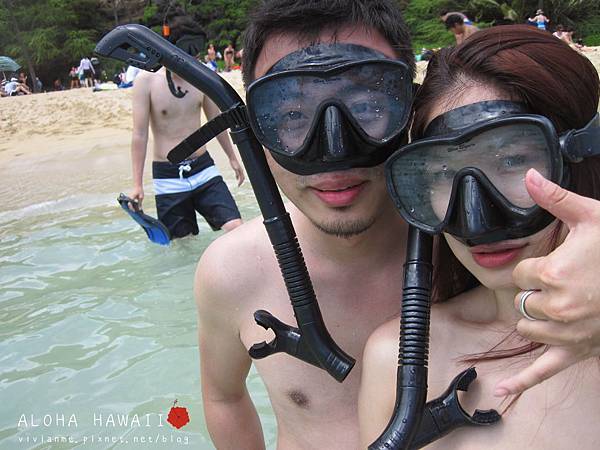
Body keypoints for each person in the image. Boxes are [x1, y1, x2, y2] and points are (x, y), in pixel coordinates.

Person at [196, 1, 600, 448]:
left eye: (366, 105)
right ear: (255, 126)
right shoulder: (232, 272)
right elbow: (223, 398)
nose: (332, 149)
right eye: (292, 115)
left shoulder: (472, 244)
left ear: (409, 111)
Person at [359, 25, 600, 449]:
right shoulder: (397, 358)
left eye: (511, 159)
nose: (477, 217)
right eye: (443, 173)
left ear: (583, 155)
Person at [129, 15, 244, 239]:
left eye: (195, 50)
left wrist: (232, 157)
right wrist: (137, 184)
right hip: (168, 176)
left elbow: (216, 122)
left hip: (203, 168)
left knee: (236, 228)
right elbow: (139, 134)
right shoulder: (146, 82)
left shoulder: (202, 77)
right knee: (184, 245)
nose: (191, 56)